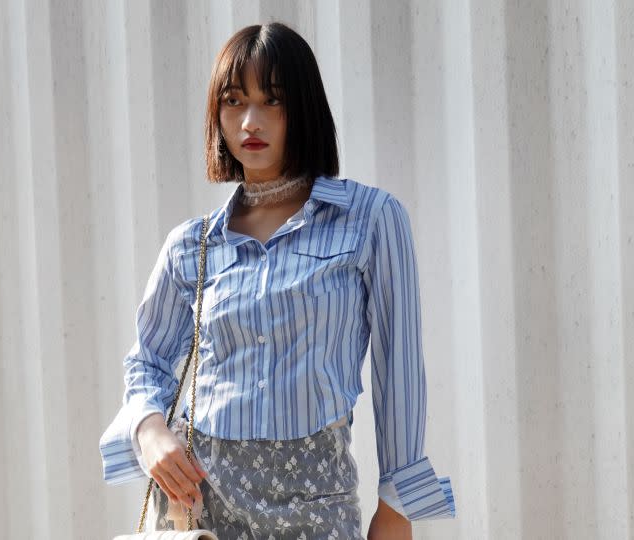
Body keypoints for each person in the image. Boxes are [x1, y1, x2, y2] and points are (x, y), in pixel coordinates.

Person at [99, 22, 456, 539]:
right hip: (201, 504)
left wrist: (397, 506)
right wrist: (149, 429)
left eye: (273, 101)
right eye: (234, 100)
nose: (250, 121)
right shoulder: (192, 245)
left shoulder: (371, 220)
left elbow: (399, 371)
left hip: (316, 505)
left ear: (304, 107)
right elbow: (147, 363)